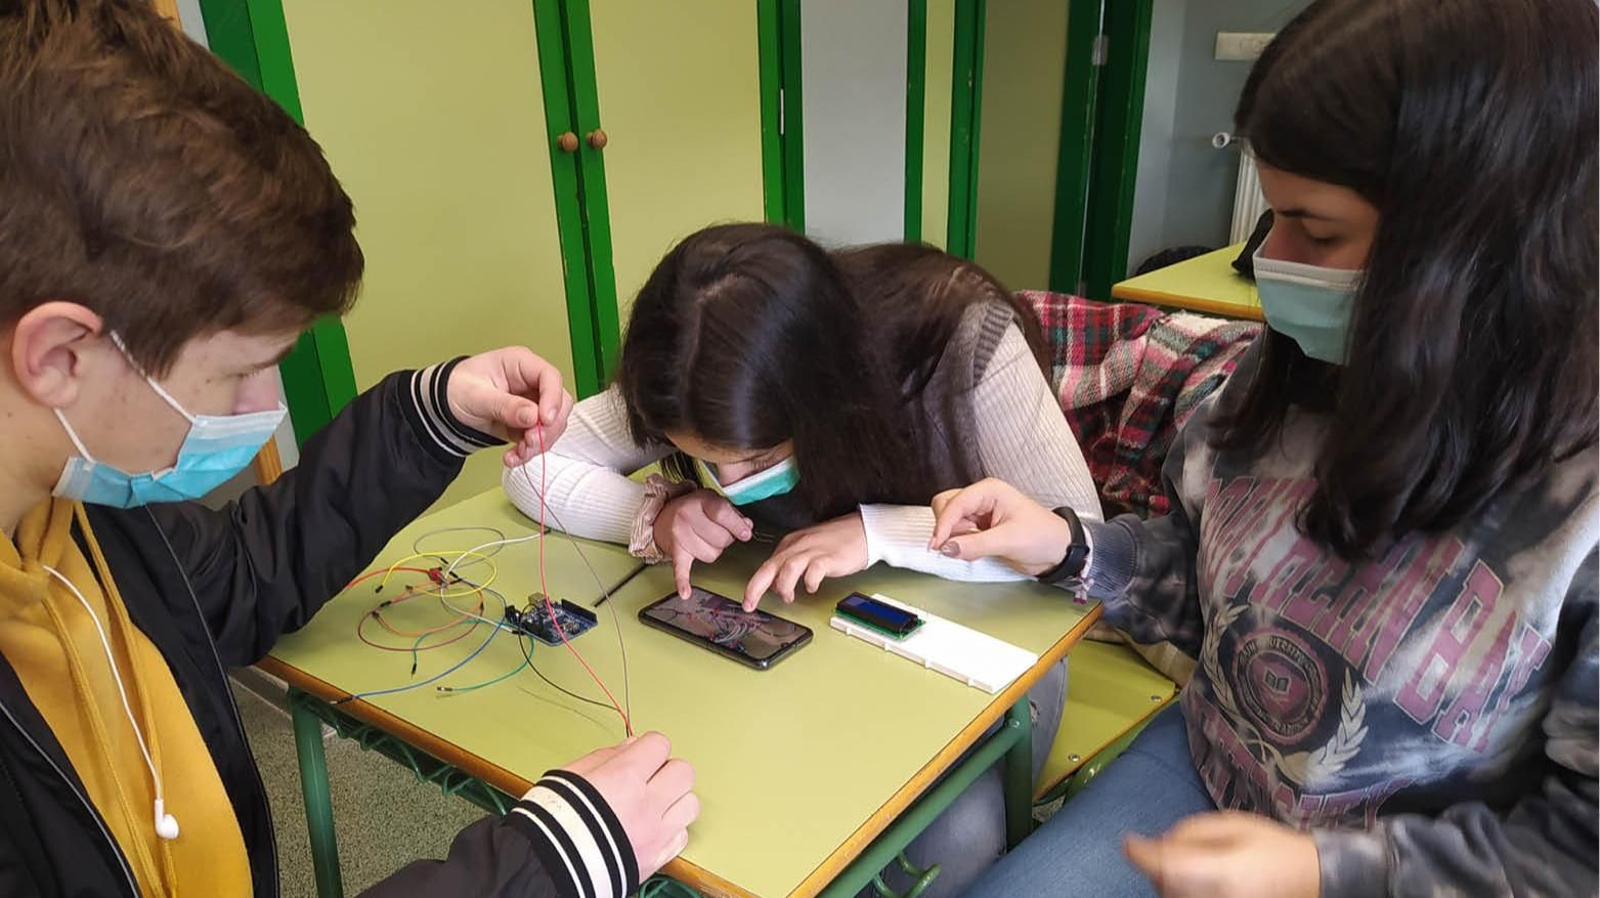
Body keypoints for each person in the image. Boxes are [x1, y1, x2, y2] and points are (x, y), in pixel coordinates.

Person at [0, 3, 695, 897]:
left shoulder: (64, 508)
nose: (260, 411)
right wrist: (540, 867)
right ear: (59, 355)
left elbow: (240, 573)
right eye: (243, 372)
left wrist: (431, 412)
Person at [931, 2, 1599, 896]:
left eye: (1315, 231)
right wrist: (1072, 547)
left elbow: (1577, 855)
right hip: (1212, 777)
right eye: (1271, 217)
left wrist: (1325, 875)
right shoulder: (1280, 379)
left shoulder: (1575, 498)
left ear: (1483, 238)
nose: (1266, 260)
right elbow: (1224, 587)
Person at [503, 223, 1102, 896]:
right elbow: (535, 468)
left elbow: (1078, 544)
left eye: (757, 458)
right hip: (815, 657)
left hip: (992, 637)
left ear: (826, 392)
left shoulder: (960, 340)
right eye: (705, 458)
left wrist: (877, 534)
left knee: (951, 839)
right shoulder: (690, 367)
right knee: (734, 821)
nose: (730, 484)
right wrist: (656, 513)